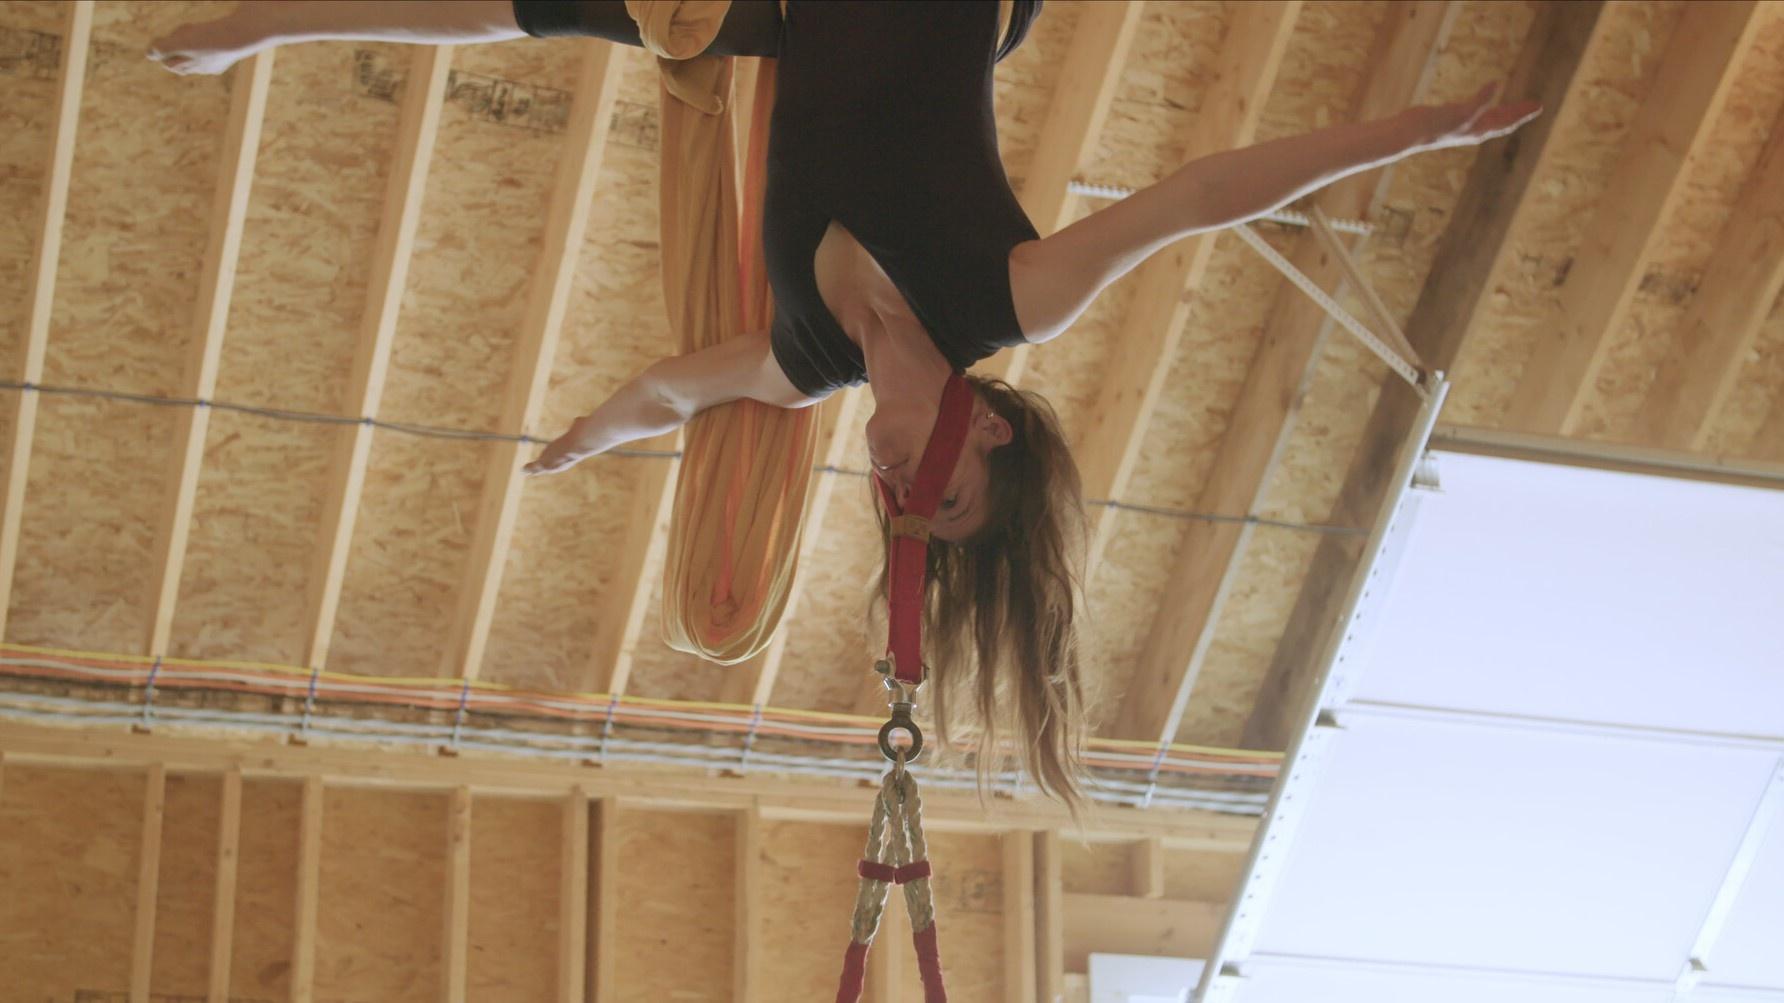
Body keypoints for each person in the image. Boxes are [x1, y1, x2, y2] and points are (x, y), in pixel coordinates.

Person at [151, 1, 1539, 805]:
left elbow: (666, 394)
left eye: (898, 510)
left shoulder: (805, 358)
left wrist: (588, 440)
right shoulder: (1009, 296)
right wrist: (1417, 130)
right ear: (986, 427)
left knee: (531, 9)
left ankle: (254, 29)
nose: (896, 485)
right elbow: (1205, 195)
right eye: (940, 493)